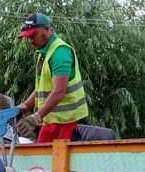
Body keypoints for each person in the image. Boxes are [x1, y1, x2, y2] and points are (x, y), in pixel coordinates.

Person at [15, 12, 89, 143]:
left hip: (66, 120)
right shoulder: (44, 52)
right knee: (43, 157)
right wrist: (24, 106)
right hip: (52, 119)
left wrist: (36, 117)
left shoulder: (60, 52)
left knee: (53, 159)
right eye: (28, 37)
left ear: (47, 29)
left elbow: (59, 91)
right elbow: (41, 88)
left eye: (33, 35)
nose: (31, 40)